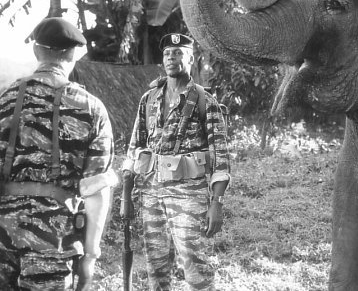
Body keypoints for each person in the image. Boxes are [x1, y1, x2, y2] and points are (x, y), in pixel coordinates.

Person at [0, 17, 115, 290]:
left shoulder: (3, 101)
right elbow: (95, 190)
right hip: (55, 240)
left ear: (36, 51)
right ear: (74, 54)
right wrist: (90, 255)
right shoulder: (91, 108)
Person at [121, 33, 231, 291]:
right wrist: (126, 197)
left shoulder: (205, 100)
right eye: (168, 53)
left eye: (179, 53)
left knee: (195, 263)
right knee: (156, 265)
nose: (172, 57)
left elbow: (221, 156)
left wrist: (217, 203)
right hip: (150, 192)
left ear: (191, 59)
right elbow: (134, 146)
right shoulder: (148, 99)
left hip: (188, 193)